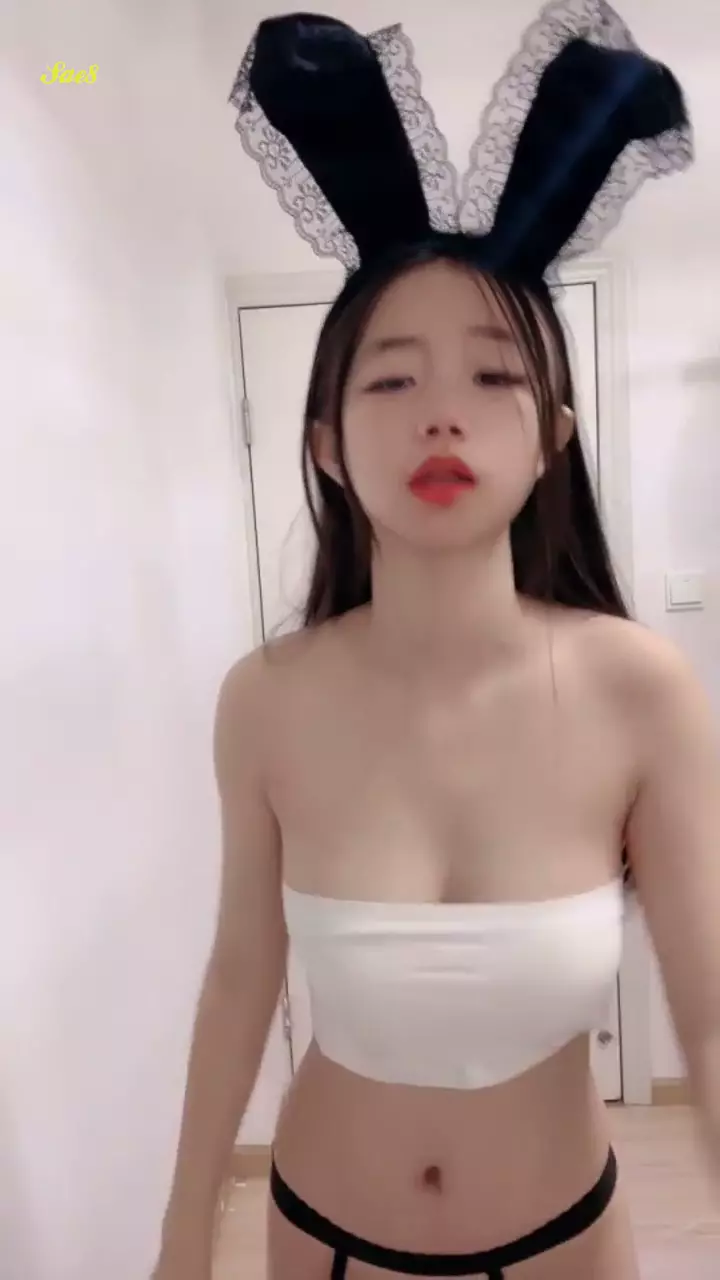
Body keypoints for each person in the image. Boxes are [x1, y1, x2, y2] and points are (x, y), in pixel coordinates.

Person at [154, 5, 720, 1278]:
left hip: (563, 1241)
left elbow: (712, 1005)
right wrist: (184, 1230)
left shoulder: (640, 690)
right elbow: (242, 975)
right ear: (326, 443)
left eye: (494, 377)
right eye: (393, 379)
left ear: (553, 434)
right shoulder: (268, 697)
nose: (443, 417)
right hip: (323, 1236)